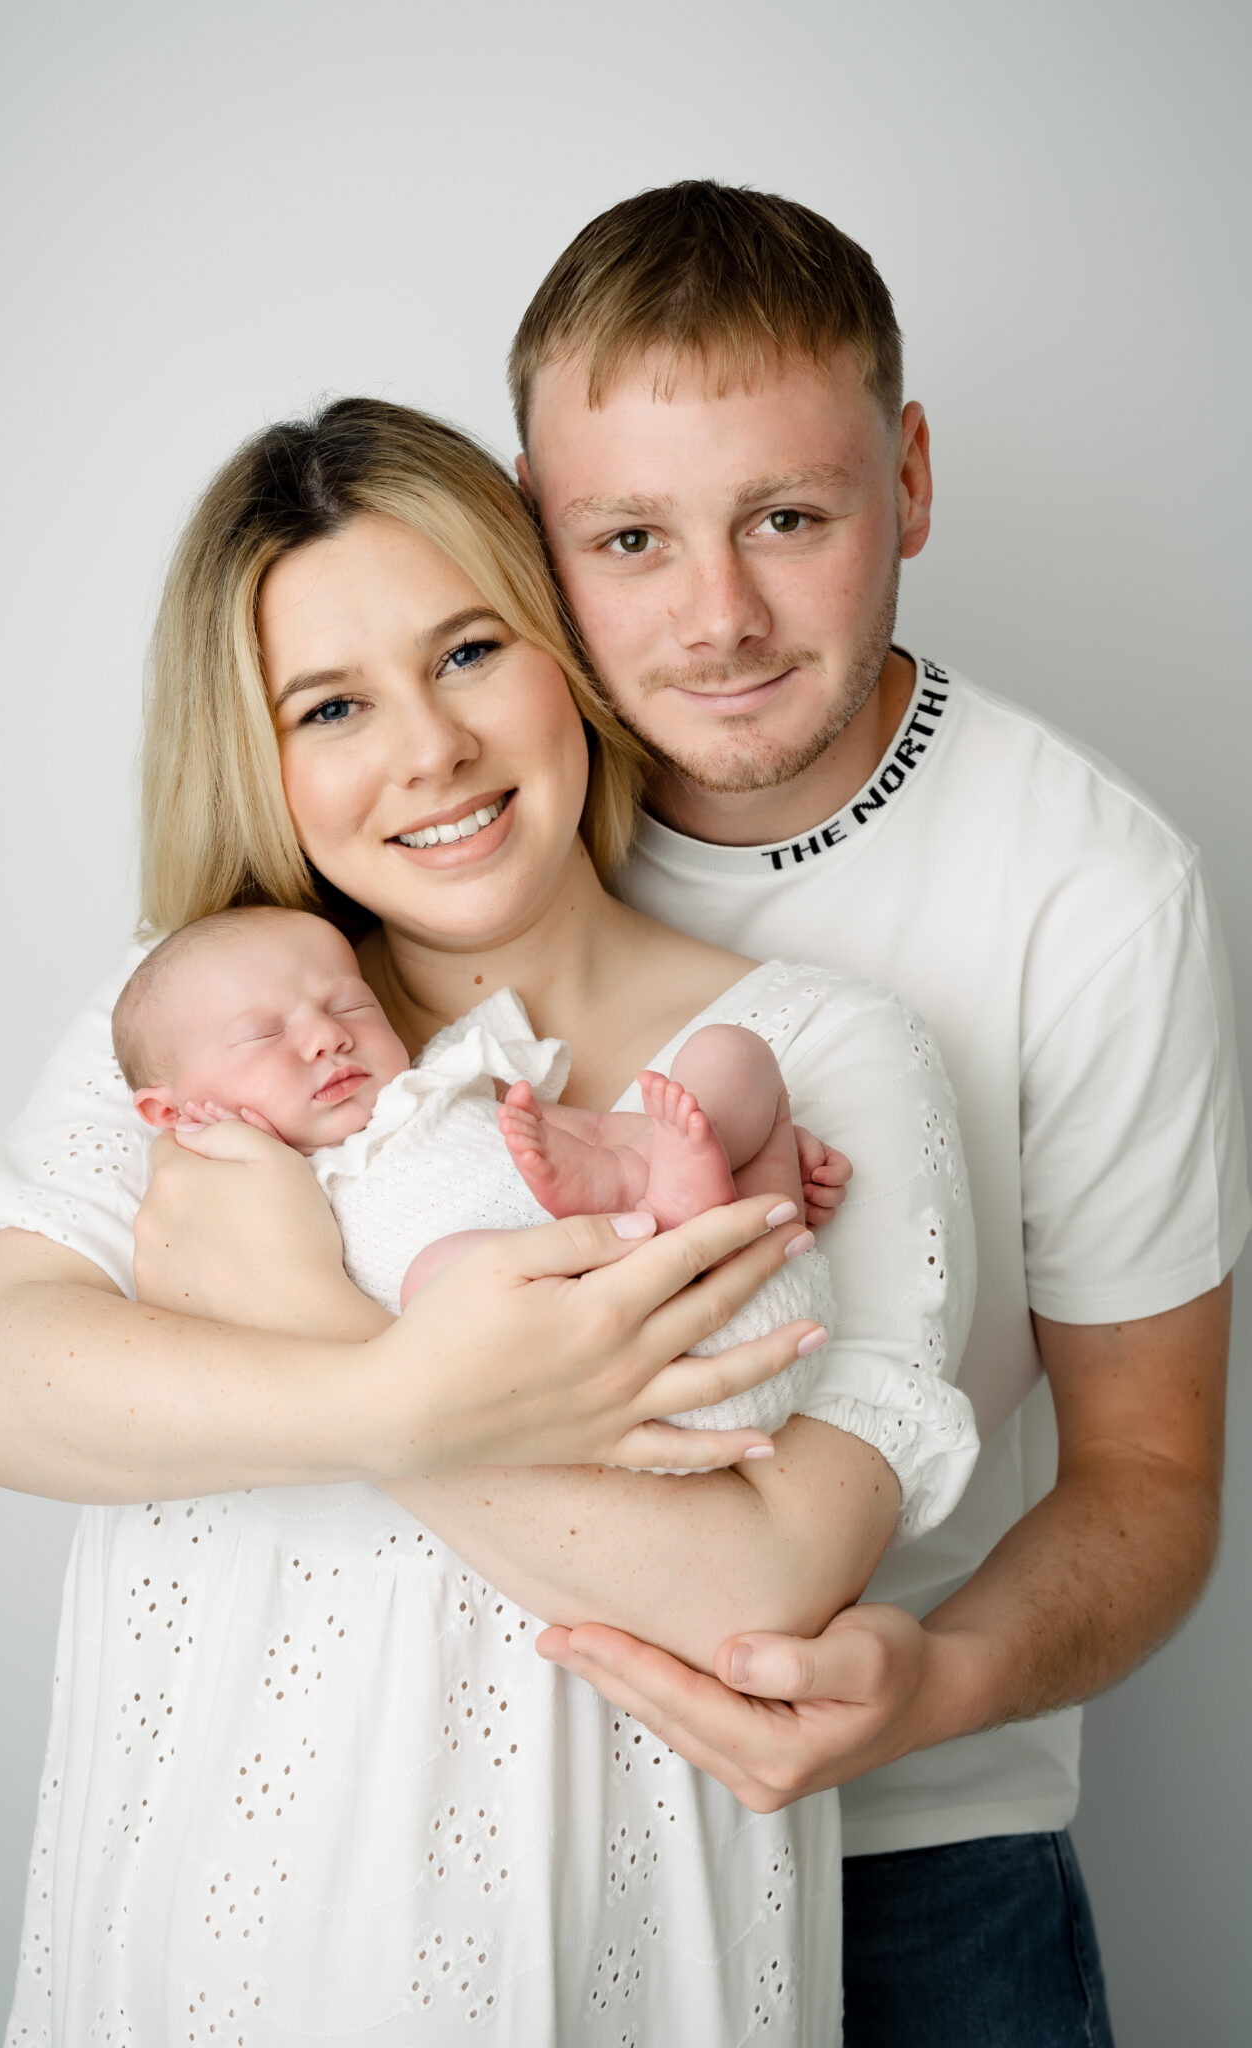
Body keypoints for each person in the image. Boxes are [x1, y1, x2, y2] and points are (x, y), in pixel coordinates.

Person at [0, 397, 977, 2043]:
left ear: (565, 650)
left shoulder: (808, 1054)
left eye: (470, 651)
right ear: (262, 757)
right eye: (333, 704)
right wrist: (405, 1393)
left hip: (610, 1959)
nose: (428, 751)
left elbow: (761, 1583)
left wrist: (319, 1328)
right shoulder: (198, 1022)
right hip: (217, 1939)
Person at [508, 180, 1250, 2046]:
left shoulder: (1092, 894)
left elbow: (1150, 1473)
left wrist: (930, 1683)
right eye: (629, 538)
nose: (718, 618)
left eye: (786, 516)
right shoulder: (458, 817)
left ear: (905, 481)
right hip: (507, 1828)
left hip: (921, 1845)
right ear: (533, 532)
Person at [113, 902, 835, 1392]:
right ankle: (666, 1206)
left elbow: (593, 1132)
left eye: (350, 1006)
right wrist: (247, 1152)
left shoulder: (446, 1079)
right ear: (169, 1111)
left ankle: (687, 1189)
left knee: (728, 1051)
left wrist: (722, 1135)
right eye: (264, 1034)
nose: (328, 1036)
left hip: (749, 1275)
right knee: (436, 1278)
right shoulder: (257, 1193)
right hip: (598, 1367)